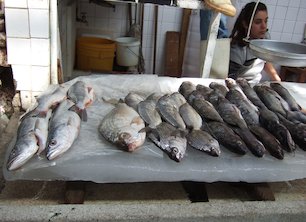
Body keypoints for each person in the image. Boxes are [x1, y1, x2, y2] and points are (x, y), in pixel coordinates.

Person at [228, 2, 281, 84]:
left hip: (256, 84)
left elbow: (265, 60)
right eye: (258, 22)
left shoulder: (265, 37)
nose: (264, 26)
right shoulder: (237, 49)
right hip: (241, 86)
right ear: (245, 24)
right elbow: (231, 80)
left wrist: (277, 80)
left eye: (266, 21)